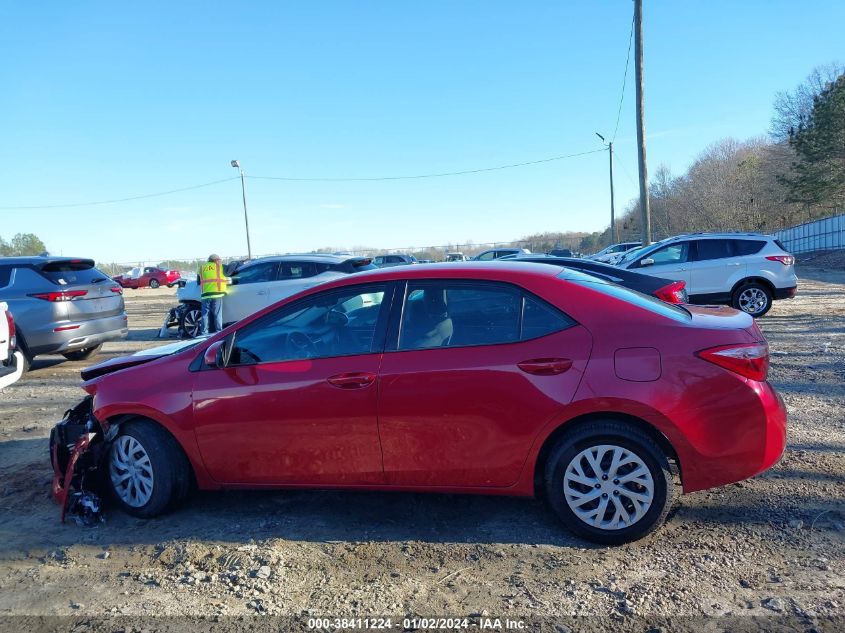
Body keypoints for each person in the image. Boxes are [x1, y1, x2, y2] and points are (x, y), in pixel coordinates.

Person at [198, 254, 230, 336]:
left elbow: (198, 281)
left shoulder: (202, 268)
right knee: (217, 314)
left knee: (205, 315)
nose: (220, 261)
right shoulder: (220, 266)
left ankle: (204, 333)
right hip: (217, 294)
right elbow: (231, 271)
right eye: (219, 259)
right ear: (216, 260)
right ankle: (219, 332)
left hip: (205, 294)